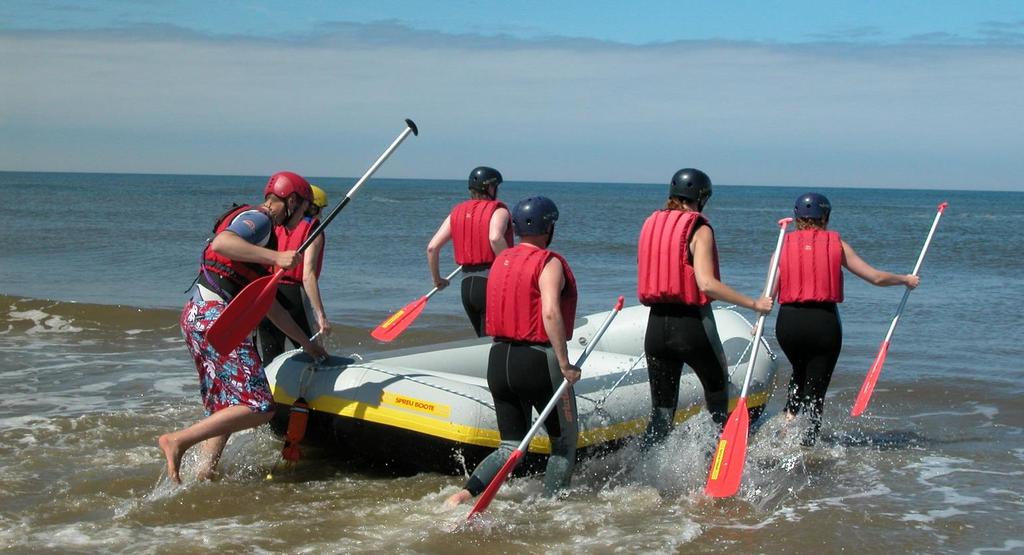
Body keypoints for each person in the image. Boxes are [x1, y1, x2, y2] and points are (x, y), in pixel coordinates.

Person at [160, 171, 328, 484]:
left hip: (197, 316)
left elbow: (273, 309)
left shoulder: (263, 237)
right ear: (290, 200)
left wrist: (308, 345)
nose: (304, 216)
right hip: (214, 317)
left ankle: (205, 472)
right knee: (261, 406)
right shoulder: (260, 220)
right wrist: (277, 256)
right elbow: (224, 243)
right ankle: (178, 441)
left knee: (226, 405)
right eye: (304, 208)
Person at [444, 196, 580, 507]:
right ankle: (550, 509)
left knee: (510, 445)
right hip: (537, 361)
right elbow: (550, 313)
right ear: (548, 227)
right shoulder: (549, 262)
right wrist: (565, 364)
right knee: (562, 444)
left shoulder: (500, 263)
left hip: (498, 359)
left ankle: (462, 495)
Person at [636, 168, 773, 447]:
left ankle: (645, 471)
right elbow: (707, 284)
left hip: (655, 329)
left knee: (662, 412)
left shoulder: (650, 223)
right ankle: (715, 462)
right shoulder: (700, 228)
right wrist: (754, 303)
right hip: (692, 327)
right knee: (717, 395)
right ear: (701, 197)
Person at [774, 192, 919, 445]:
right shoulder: (837, 244)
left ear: (797, 217)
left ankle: (785, 430)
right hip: (822, 324)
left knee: (798, 373)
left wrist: (757, 322)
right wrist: (905, 279)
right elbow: (875, 277)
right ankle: (808, 444)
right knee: (816, 388)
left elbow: (768, 291)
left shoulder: (782, 244)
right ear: (826, 216)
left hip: (788, 325)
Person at [426, 166, 513, 336]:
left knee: (482, 338)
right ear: (490, 188)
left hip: (467, 287)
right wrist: (511, 268)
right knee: (495, 340)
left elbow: (432, 248)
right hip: (491, 284)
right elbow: (495, 238)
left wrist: (437, 279)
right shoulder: (499, 211)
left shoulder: (455, 213)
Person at [256, 183, 331, 362]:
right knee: (313, 352)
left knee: (271, 355)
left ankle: (272, 388)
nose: (320, 215)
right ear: (311, 207)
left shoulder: (275, 224)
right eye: (320, 210)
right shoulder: (313, 230)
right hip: (294, 296)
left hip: (268, 293)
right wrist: (321, 315)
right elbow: (308, 275)